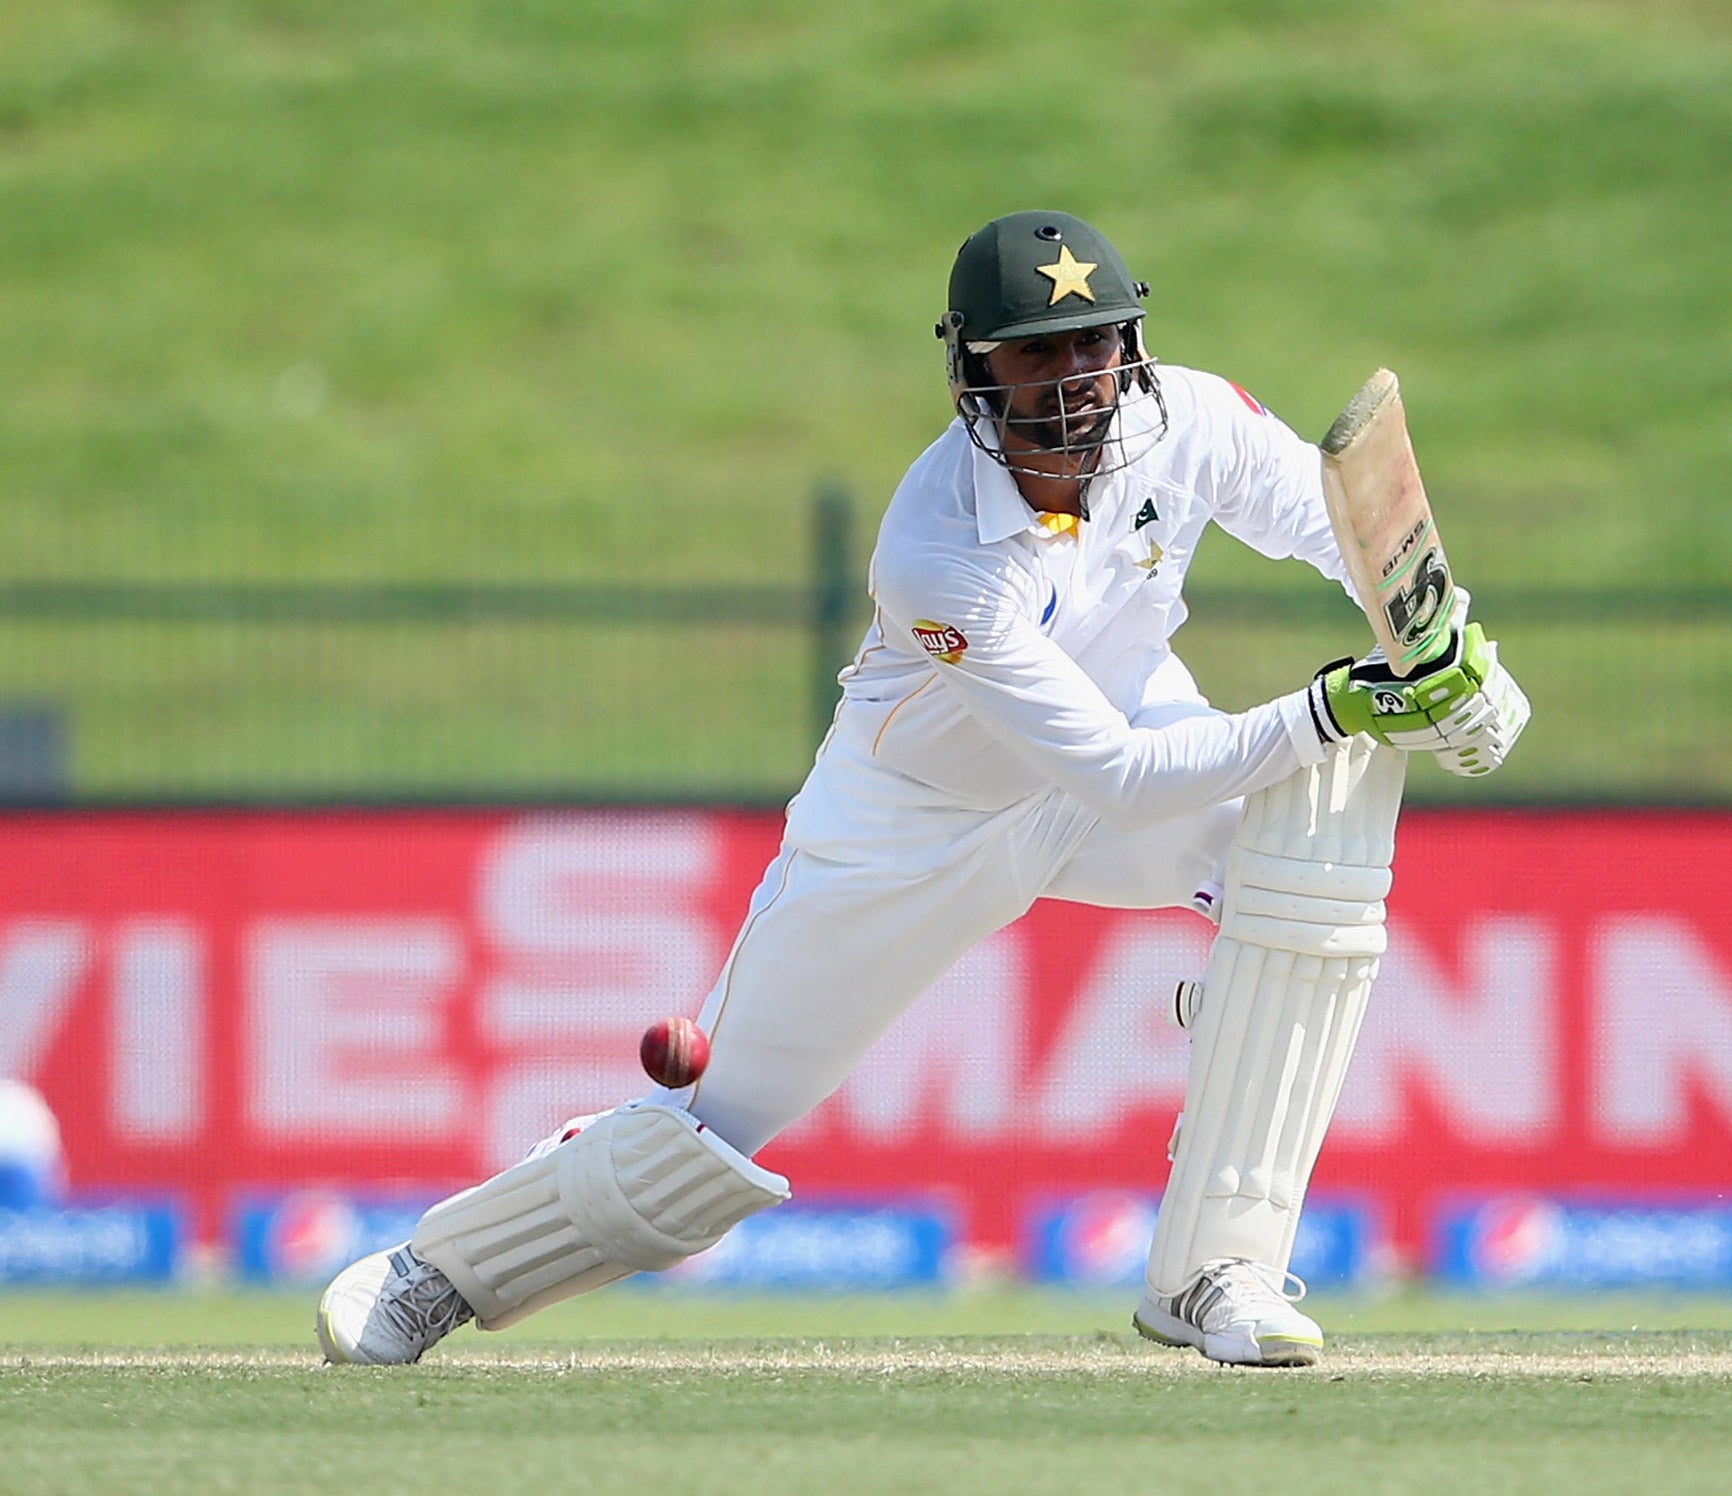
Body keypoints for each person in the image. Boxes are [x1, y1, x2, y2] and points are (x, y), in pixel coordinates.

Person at [317, 210, 1528, 1368]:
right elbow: (1113, 779)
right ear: (972, 378)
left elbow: (1347, 532)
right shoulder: (933, 545)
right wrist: (1331, 706)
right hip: (909, 827)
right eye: (1034, 356)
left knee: (1306, 841)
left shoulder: (1191, 421)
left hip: (1123, 728)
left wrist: (1444, 648)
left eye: (1092, 345)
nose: (1071, 381)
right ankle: (446, 1269)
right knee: (708, 1138)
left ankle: (1216, 1273)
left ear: (1131, 348)